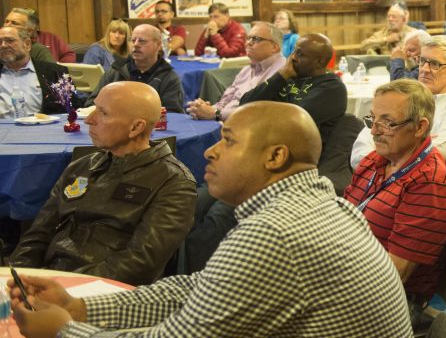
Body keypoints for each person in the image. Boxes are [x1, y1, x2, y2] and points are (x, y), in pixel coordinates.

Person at [7, 101, 414, 337]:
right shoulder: (326, 206)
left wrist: (62, 331)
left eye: (228, 140)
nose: (210, 152)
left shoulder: (275, 233)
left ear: (275, 157)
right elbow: (199, 289)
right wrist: (80, 309)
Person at [10, 81, 196, 285]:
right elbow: (38, 234)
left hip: (105, 296)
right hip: (49, 281)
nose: (89, 120)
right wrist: (16, 279)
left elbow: (140, 263)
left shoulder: (173, 182)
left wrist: (66, 288)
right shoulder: (81, 167)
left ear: (136, 127)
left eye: (103, 113)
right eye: (93, 109)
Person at [344, 79, 446, 315]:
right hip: (347, 273)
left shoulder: (431, 183)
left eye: (388, 122)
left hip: (386, 304)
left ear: (420, 127)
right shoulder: (374, 161)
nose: (374, 130)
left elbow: (393, 276)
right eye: (373, 119)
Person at [351, 36, 446, 169]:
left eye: (434, 64)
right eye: (422, 61)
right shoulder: (395, 104)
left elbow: (425, 161)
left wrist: (386, 148)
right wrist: (415, 146)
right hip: (377, 186)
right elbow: (358, 156)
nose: (424, 69)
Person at [239, 33, 346, 148]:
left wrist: (263, 112)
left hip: (298, 154)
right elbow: (245, 104)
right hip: (268, 142)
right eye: (294, 51)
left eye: (300, 54)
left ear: (319, 62)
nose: (293, 57)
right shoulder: (287, 77)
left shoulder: (331, 87)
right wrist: (280, 76)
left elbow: (292, 121)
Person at [186, 22, 286, 121]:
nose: (248, 43)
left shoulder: (282, 71)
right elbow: (225, 101)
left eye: (256, 39)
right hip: (225, 122)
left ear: (274, 47)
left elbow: (256, 111)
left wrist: (214, 114)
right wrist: (205, 109)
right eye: (248, 38)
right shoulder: (246, 70)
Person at [86, 24, 185, 112]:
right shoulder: (116, 71)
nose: (136, 45)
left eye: (142, 41)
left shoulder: (168, 77)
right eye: (133, 40)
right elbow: (92, 104)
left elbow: (173, 115)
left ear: (158, 45)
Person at [0, 26, 83, 118]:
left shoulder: (54, 72)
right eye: (0, 42)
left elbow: (73, 108)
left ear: (27, 44)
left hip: (43, 128)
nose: (3, 45)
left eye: (10, 40)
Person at [5, 7, 75, 63]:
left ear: (29, 30)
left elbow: (68, 55)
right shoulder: (3, 46)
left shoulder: (40, 49)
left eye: (14, 23)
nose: (7, 25)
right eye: (6, 21)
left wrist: (60, 68)